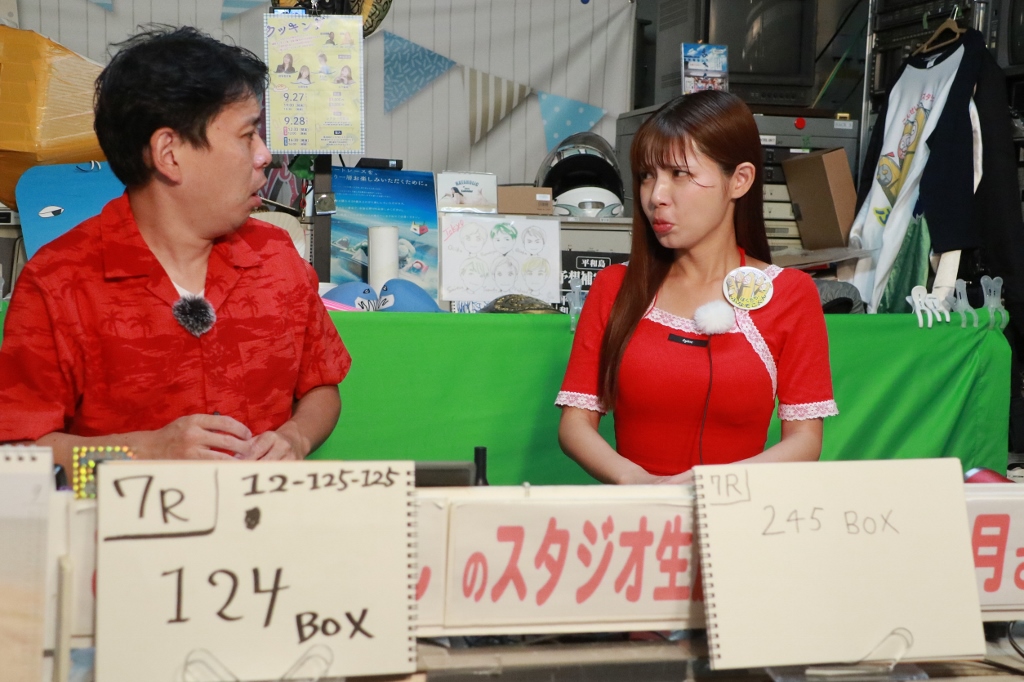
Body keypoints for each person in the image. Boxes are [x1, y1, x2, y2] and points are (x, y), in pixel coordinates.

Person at [0, 27, 351, 471]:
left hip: (264, 512)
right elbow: (18, 451)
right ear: (169, 154)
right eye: (247, 135)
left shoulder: (277, 258)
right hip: (118, 516)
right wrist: (143, 452)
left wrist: (295, 437)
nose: (264, 155)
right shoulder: (58, 283)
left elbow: (321, 386)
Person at [555, 91, 837, 484]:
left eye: (679, 174)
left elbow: (805, 440)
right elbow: (575, 424)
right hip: (638, 512)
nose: (656, 196)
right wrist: (639, 482)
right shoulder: (615, 286)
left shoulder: (790, 293)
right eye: (647, 175)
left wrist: (709, 487)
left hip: (737, 511)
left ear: (739, 180)